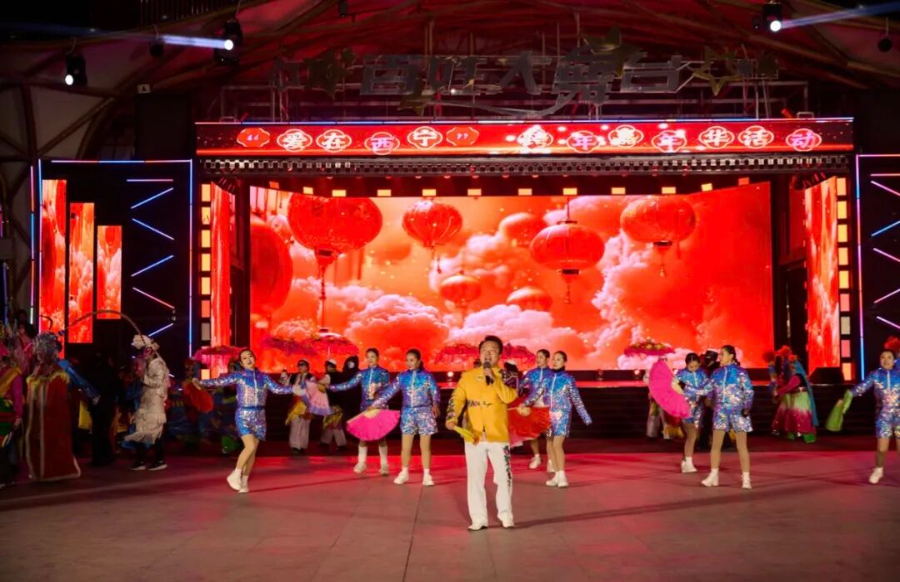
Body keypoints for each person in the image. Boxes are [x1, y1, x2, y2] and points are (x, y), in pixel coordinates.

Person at [195, 349, 303, 493]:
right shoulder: (239, 375)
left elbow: (277, 389)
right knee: (249, 446)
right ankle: (235, 474)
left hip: (260, 416)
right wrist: (201, 382)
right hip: (244, 415)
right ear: (241, 363)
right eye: (244, 358)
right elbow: (220, 381)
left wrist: (293, 389)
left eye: (250, 356)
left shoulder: (264, 377)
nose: (248, 359)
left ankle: (244, 483)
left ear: (254, 358)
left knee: (252, 453)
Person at [446, 335, 518, 530]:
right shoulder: (468, 377)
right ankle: (478, 518)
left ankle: (506, 515)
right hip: (474, 435)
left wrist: (493, 377)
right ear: (479, 354)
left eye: (492, 350)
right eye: (484, 350)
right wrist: (452, 417)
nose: (488, 353)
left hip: (498, 435)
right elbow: (457, 398)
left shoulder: (508, 376)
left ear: (499, 355)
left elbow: (509, 397)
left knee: (504, 477)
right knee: (475, 478)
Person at [519, 351, 592, 488]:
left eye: (558, 359)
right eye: (554, 359)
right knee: (552, 445)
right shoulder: (547, 378)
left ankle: (562, 476)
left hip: (562, 415)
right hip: (548, 415)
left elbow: (576, 399)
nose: (555, 361)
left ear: (564, 362)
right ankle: (557, 476)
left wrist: (585, 416)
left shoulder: (568, 379)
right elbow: (536, 394)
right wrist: (524, 403)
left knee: (557, 445)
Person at [369, 348, 440, 486]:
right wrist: (375, 404)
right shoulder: (402, 377)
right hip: (408, 413)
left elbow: (435, 391)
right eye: (407, 360)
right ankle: (404, 472)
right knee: (406, 446)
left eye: (412, 360)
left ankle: (427, 475)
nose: (408, 363)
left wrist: (435, 404)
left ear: (419, 361)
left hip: (425, 412)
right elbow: (389, 392)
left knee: (425, 446)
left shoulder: (427, 376)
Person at [687, 345, 753, 490]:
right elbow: (706, 389)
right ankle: (713, 475)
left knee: (741, 446)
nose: (720, 357)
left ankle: (746, 478)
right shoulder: (716, 373)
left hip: (738, 411)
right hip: (720, 412)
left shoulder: (741, 372)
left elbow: (748, 391)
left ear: (731, 356)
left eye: (722, 354)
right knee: (715, 445)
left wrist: (747, 407)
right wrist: (685, 388)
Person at [24, 333, 82, 482]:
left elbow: (58, 398)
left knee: (53, 444)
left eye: (41, 352)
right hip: (38, 415)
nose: (38, 355)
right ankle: (40, 471)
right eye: (37, 352)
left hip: (51, 417)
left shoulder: (58, 373)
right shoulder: (38, 369)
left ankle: (54, 472)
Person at [839, 350, 900, 484]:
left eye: (889, 357)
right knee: (882, 449)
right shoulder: (875, 375)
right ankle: (878, 469)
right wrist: (848, 395)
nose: (886, 360)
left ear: (894, 360)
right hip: (883, 417)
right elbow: (861, 387)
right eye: (883, 357)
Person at [328, 348, 391, 475]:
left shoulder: (383, 373)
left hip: (379, 408)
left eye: (373, 356)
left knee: (381, 437)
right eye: (368, 357)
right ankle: (361, 462)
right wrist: (331, 387)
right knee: (363, 437)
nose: (370, 359)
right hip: (365, 408)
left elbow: (387, 391)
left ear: (378, 358)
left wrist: (378, 398)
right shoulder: (362, 374)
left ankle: (384, 464)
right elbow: (348, 384)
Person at [124, 335, 170, 472]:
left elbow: (157, 382)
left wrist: (143, 377)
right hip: (145, 402)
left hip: (154, 403)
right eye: (143, 350)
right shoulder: (146, 363)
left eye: (147, 349)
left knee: (154, 431)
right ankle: (141, 460)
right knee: (140, 429)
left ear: (152, 350)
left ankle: (159, 459)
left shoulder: (158, 365)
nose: (145, 352)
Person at [674, 353, 708, 473]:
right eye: (691, 367)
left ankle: (685, 461)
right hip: (686, 407)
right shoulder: (681, 374)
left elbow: (707, 388)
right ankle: (688, 463)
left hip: (699, 407)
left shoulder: (702, 373)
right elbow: (672, 387)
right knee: (691, 435)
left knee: (694, 436)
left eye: (696, 366)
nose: (694, 369)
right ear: (686, 364)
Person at [519, 349, 553, 471]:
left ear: (547, 359)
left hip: (548, 408)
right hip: (533, 408)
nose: (538, 359)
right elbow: (520, 385)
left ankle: (551, 460)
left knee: (549, 435)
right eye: (537, 357)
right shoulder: (531, 373)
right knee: (533, 435)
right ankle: (537, 457)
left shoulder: (552, 374)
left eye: (541, 357)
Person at [85, 350, 120, 467]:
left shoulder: (92, 371)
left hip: (98, 405)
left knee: (98, 431)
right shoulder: (110, 372)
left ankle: (100, 457)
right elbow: (117, 387)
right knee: (103, 431)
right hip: (106, 405)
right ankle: (106, 456)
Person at [772, 357, 818, 444]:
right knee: (792, 415)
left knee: (801, 415)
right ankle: (792, 434)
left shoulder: (797, 376)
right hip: (796, 397)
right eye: (791, 367)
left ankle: (808, 436)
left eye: (793, 367)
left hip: (801, 397)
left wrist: (778, 392)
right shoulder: (794, 376)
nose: (791, 369)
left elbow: (789, 386)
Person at [0, 353, 24, 488]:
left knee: (2, 447)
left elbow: (17, 396)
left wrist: (18, 416)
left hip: (6, 416)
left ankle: (5, 478)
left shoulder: (13, 374)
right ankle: (7, 478)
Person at [282, 359, 315, 455]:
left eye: (302, 365)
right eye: (299, 365)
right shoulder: (293, 376)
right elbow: (286, 385)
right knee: (295, 424)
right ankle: (295, 446)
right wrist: (284, 378)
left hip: (306, 403)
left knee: (305, 425)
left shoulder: (311, 377)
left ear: (307, 367)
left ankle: (303, 445)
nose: (300, 367)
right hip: (295, 403)